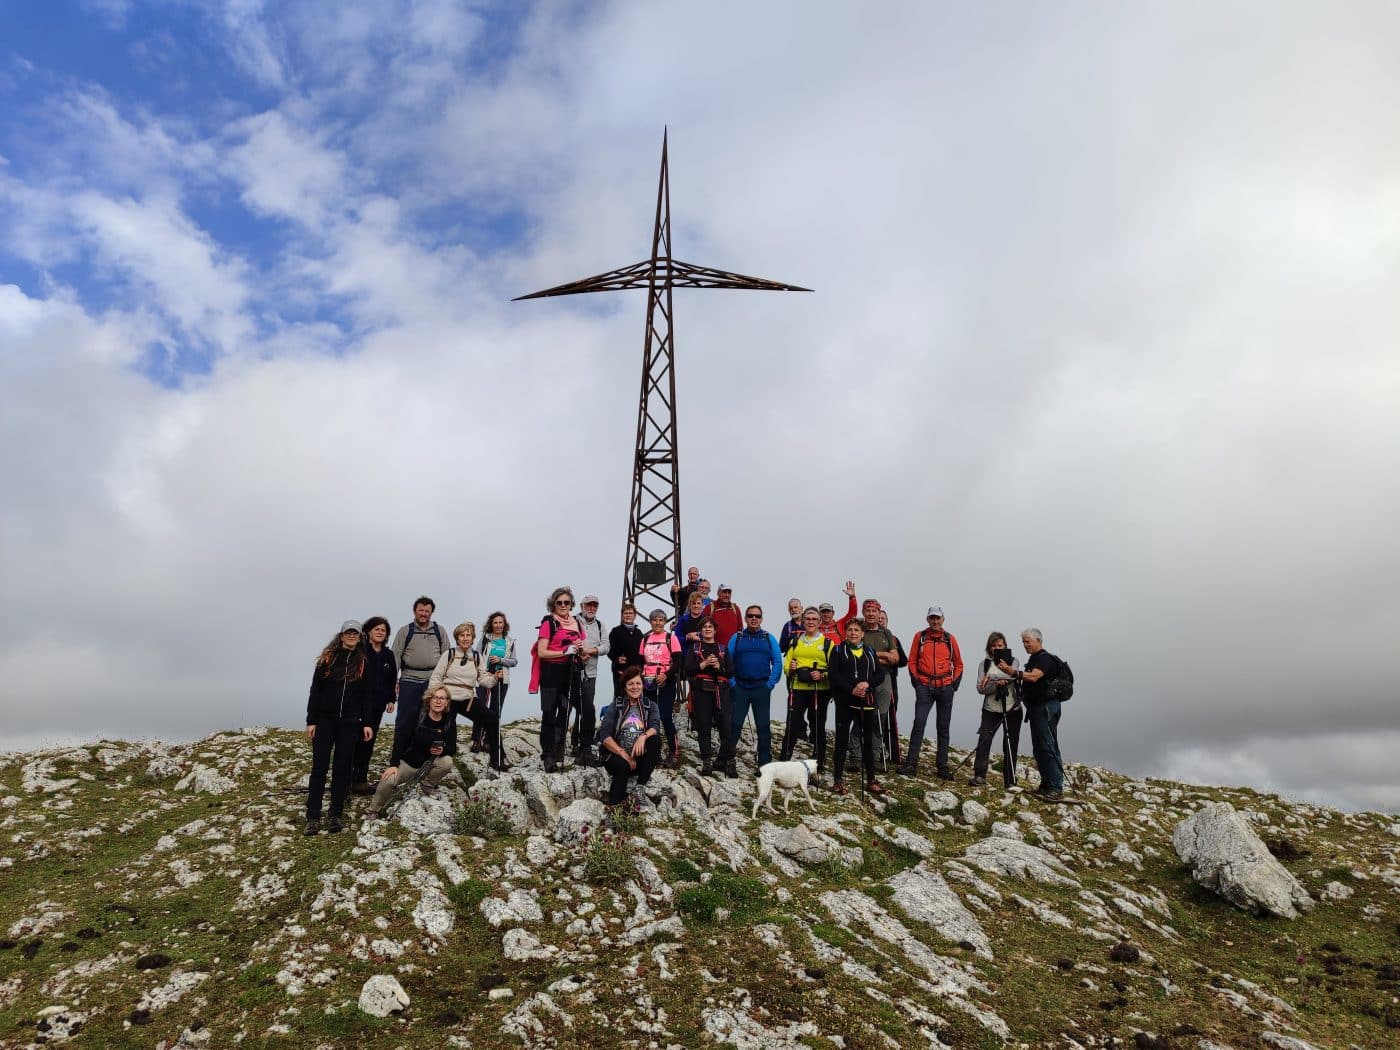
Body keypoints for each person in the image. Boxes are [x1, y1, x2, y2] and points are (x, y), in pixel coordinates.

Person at [305, 621, 374, 835]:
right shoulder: (328, 659)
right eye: (348, 632)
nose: (352, 635)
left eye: (355, 632)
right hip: (325, 720)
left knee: (342, 769)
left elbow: (366, 696)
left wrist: (367, 722)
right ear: (342, 636)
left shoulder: (363, 662)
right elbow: (315, 690)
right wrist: (311, 720)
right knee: (319, 768)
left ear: (359, 637)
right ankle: (313, 817)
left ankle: (335, 814)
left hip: (350, 722)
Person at [367, 685, 457, 818]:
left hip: (430, 763)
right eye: (435, 697)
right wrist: (393, 765)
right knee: (388, 780)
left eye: (442, 698)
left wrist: (441, 751)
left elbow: (452, 748)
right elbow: (400, 740)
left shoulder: (448, 721)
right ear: (429, 700)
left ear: (447, 702)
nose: (438, 701)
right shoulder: (416, 715)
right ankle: (374, 810)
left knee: (447, 762)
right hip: (409, 762)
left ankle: (427, 785)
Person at [999, 628, 1065, 801]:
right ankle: (1046, 785)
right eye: (1023, 642)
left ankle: (1056, 787)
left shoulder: (1044, 658)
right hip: (1037, 708)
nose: (1025, 645)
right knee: (1040, 747)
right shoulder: (1035, 659)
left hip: (1046, 707)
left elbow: (1034, 677)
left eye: (1028, 641)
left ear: (1038, 640)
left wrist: (1011, 672)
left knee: (1048, 745)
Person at [900, 606, 964, 779]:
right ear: (927, 619)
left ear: (943, 619)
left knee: (943, 728)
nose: (935, 621)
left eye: (938, 618)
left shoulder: (950, 639)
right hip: (925, 687)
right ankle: (911, 764)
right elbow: (912, 660)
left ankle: (942, 767)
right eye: (932, 618)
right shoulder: (920, 637)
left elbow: (958, 664)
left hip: (945, 688)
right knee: (919, 723)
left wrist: (953, 685)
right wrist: (917, 683)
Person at [828, 619, 887, 796]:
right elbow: (834, 675)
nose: (853, 633)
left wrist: (867, 684)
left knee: (867, 741)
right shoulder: (838, 650)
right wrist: (851, 689)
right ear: (845, 632)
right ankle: (837, 780)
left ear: (862, 634)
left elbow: (880, 674)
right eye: (850, 630)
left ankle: (871, 780)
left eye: (857, 630)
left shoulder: (869, 651)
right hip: (845, 700)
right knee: (841, 740)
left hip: (866, 701)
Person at [532, 587, 587, 772]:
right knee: (549, 714)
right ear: (553, 605)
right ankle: (548, 755)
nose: (563, 605)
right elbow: (541, 651)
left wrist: (579, 649)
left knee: (586, 708)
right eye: (559, 602)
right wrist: (564, 651)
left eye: (567, 602)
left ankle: (584, 749)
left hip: (571, 671)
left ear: (572, 604)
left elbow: (583, 650)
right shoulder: (549, 622)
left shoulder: (577, 623)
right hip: (550, 672)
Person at [390, 597, 450, 765]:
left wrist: (443, 683)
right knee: (404, 720)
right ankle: (399, 759)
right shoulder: (405, 631)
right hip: (409, 679)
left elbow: (447, 657)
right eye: (420, 610)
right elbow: (395, 656)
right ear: (414, 611)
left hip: (433, 681)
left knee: (430, 719)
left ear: (431, 612)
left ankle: (426, 758)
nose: (423, 614)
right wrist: (393, 680)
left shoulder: (440, 631)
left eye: (427, 611)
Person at [597, 667, 663, 811]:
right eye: (631, 684)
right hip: (616, 756)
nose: (635, 687)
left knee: (655, 740)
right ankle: (614, 810)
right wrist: (623, 754)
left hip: (638, 757)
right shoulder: (616, 705)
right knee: (622, 766)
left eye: (638, 683)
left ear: (643, 685)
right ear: (625, 687)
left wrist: (643, 738)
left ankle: (639, 787)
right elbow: (605, 735)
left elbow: (655, 727)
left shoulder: (650, 706)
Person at [726, 606, 783, 770]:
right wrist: (733, 683)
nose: (754, 618)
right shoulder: (737, 637)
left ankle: (764, 763)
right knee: (735, 724)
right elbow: (728, 662)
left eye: (757, 616)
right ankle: (728, 758)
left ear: (761, 618)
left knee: (763, 726)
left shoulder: (768, 638)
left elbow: (777, 663)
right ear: (745, 618)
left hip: (761, 688)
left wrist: (770, 684)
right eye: (750, 615)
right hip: (740, 688)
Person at [684, 618, 736, 777]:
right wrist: (704, 664)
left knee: (725, 726)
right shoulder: (694, 648)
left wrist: (719, 667)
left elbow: (731, 671)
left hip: (721, 690)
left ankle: (729, 761)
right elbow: (687, 669)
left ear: (715, 630)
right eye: (704, 627)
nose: (707, 629)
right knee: (704, 726)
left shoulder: (723, 649)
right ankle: (707, 761)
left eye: (710, 627)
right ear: (701, 630)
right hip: (701, 691)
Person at [781, 607, 832, 771]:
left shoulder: (827, 643)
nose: (810, 622)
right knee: (793, 724)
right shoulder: (795, 641)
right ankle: (784, 759)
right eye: (807, 619)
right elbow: (786, 666)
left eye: (814, 619)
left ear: (819, 622)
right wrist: (792, 668)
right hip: (798, 688)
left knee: (817, 725)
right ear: (803, 621)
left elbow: (835, 668)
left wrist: (823, 674)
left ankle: (819, 761)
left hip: (819, 689)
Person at [351, 615, 397, 795]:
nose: (380, 632)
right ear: (368, 631)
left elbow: (392, 678)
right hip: (357, 704)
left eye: (383, 630)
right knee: (354, 740)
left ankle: (360, 781)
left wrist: (392, 699)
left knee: (368, 742)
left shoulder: (388, 654)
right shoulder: (359, 651)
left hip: (377, 705)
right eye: (376, 629)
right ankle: (345, 779)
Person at [974, 631, 1023, 788]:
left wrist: (990, 678)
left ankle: (1010, 781)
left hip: (1012, 708)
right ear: (989, 647)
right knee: (984, 740)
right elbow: (981, 688)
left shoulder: (1013, 661)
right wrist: (995, 683)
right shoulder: (984, 664)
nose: (997, 648)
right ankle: (979, 776)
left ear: (1005, 646)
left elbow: (1013, 675)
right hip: (990, 709)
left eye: (1000, 645)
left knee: (1010, 744)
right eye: (993, 646)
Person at [858, 600, 900, 771]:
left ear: (878, 612)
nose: (871, 614)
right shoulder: (859, 630)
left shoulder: (886, 633)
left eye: (874, 611)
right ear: (863, 611)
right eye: (868, 610)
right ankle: (856, 756)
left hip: (884, 678)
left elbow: (895, 659)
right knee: (860, 717)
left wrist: (875, 655)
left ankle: (874, 758)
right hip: (863, 677)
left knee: (879, 720)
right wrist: (884, 656)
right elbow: (858, 655)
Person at [472, 612, 517, 769]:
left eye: (500, 622)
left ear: (504, 625)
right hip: (484, 676)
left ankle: (488, 740)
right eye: (495, 622)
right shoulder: (485, 639)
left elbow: (514, 661)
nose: (498, 625)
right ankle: (476, 739)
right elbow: (476, 655)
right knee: (481, 707)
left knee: (495, 711)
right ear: (491, 624)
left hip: (501, 677)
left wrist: (500, 660)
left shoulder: (509, 642)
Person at [640, 609, 683, 767]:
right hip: (648, 682)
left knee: (665, 716)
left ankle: (674, 752)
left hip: (667, 681)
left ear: (664, 622)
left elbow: (678, 662)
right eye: (654, 620)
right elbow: (640, 661)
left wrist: (666, 674)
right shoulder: (645, 639)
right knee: (651, 719)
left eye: (660, 620)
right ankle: (653, 753)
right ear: (650, 622)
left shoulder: (671, 638)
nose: (658, 623)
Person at [571, 595, 609, 766]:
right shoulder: (572, 621)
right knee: (566, 707)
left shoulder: (600, 625)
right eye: (589, 605)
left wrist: (592, 651)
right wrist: (579, 652)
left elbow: (606, 647)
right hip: (571, 672)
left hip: (590, 674)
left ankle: (581, 745)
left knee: (586, 709)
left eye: (594, 605)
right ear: (582, 606)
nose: (591, 608)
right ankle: (565, 744)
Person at [878, 608, 908, 768]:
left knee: (892, 719)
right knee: (878, 718)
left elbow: (903, 660)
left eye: (884, 618)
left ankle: (894, 753)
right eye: (879, 618)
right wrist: (886, 658)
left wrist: (890, 658)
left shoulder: (893, 639)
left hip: (891, 682)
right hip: (875, 682)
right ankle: (878, 751)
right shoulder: (869, 637)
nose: (881, 620)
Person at [607, 602, 644, 697]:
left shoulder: (639, 633)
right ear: (622, 615)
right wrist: (616, 659)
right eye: (625, 613)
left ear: (635, 615)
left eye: (630, 613)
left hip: (636, 672)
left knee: (636, 698)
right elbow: (609, 650)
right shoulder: (616, 631)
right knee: (621, 699)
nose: (628, 615)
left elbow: (643, 653)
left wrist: (642, 670)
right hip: (621, 672)